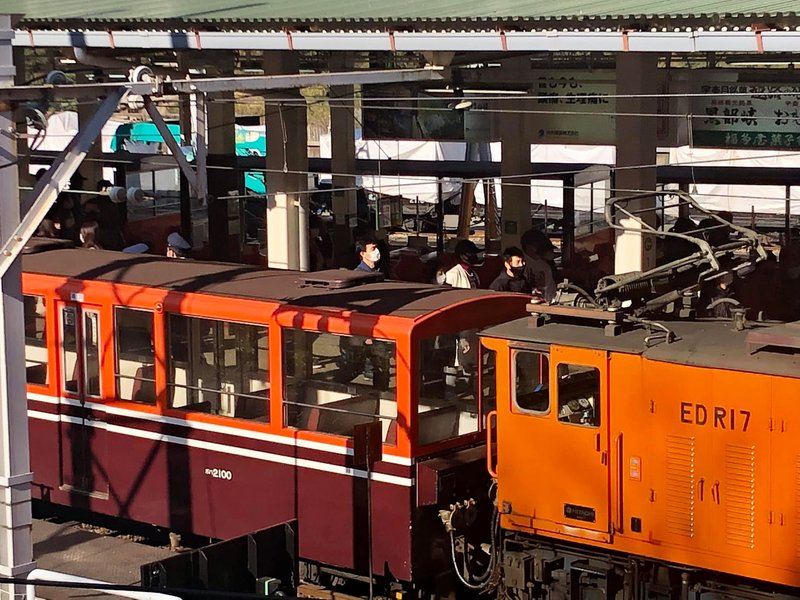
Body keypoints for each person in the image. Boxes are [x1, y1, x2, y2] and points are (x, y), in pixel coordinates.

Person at [521, 229, 557, 301]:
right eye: (539, 246)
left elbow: (550, 292)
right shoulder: (519, 263)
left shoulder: (545, 266)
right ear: (529, 247)